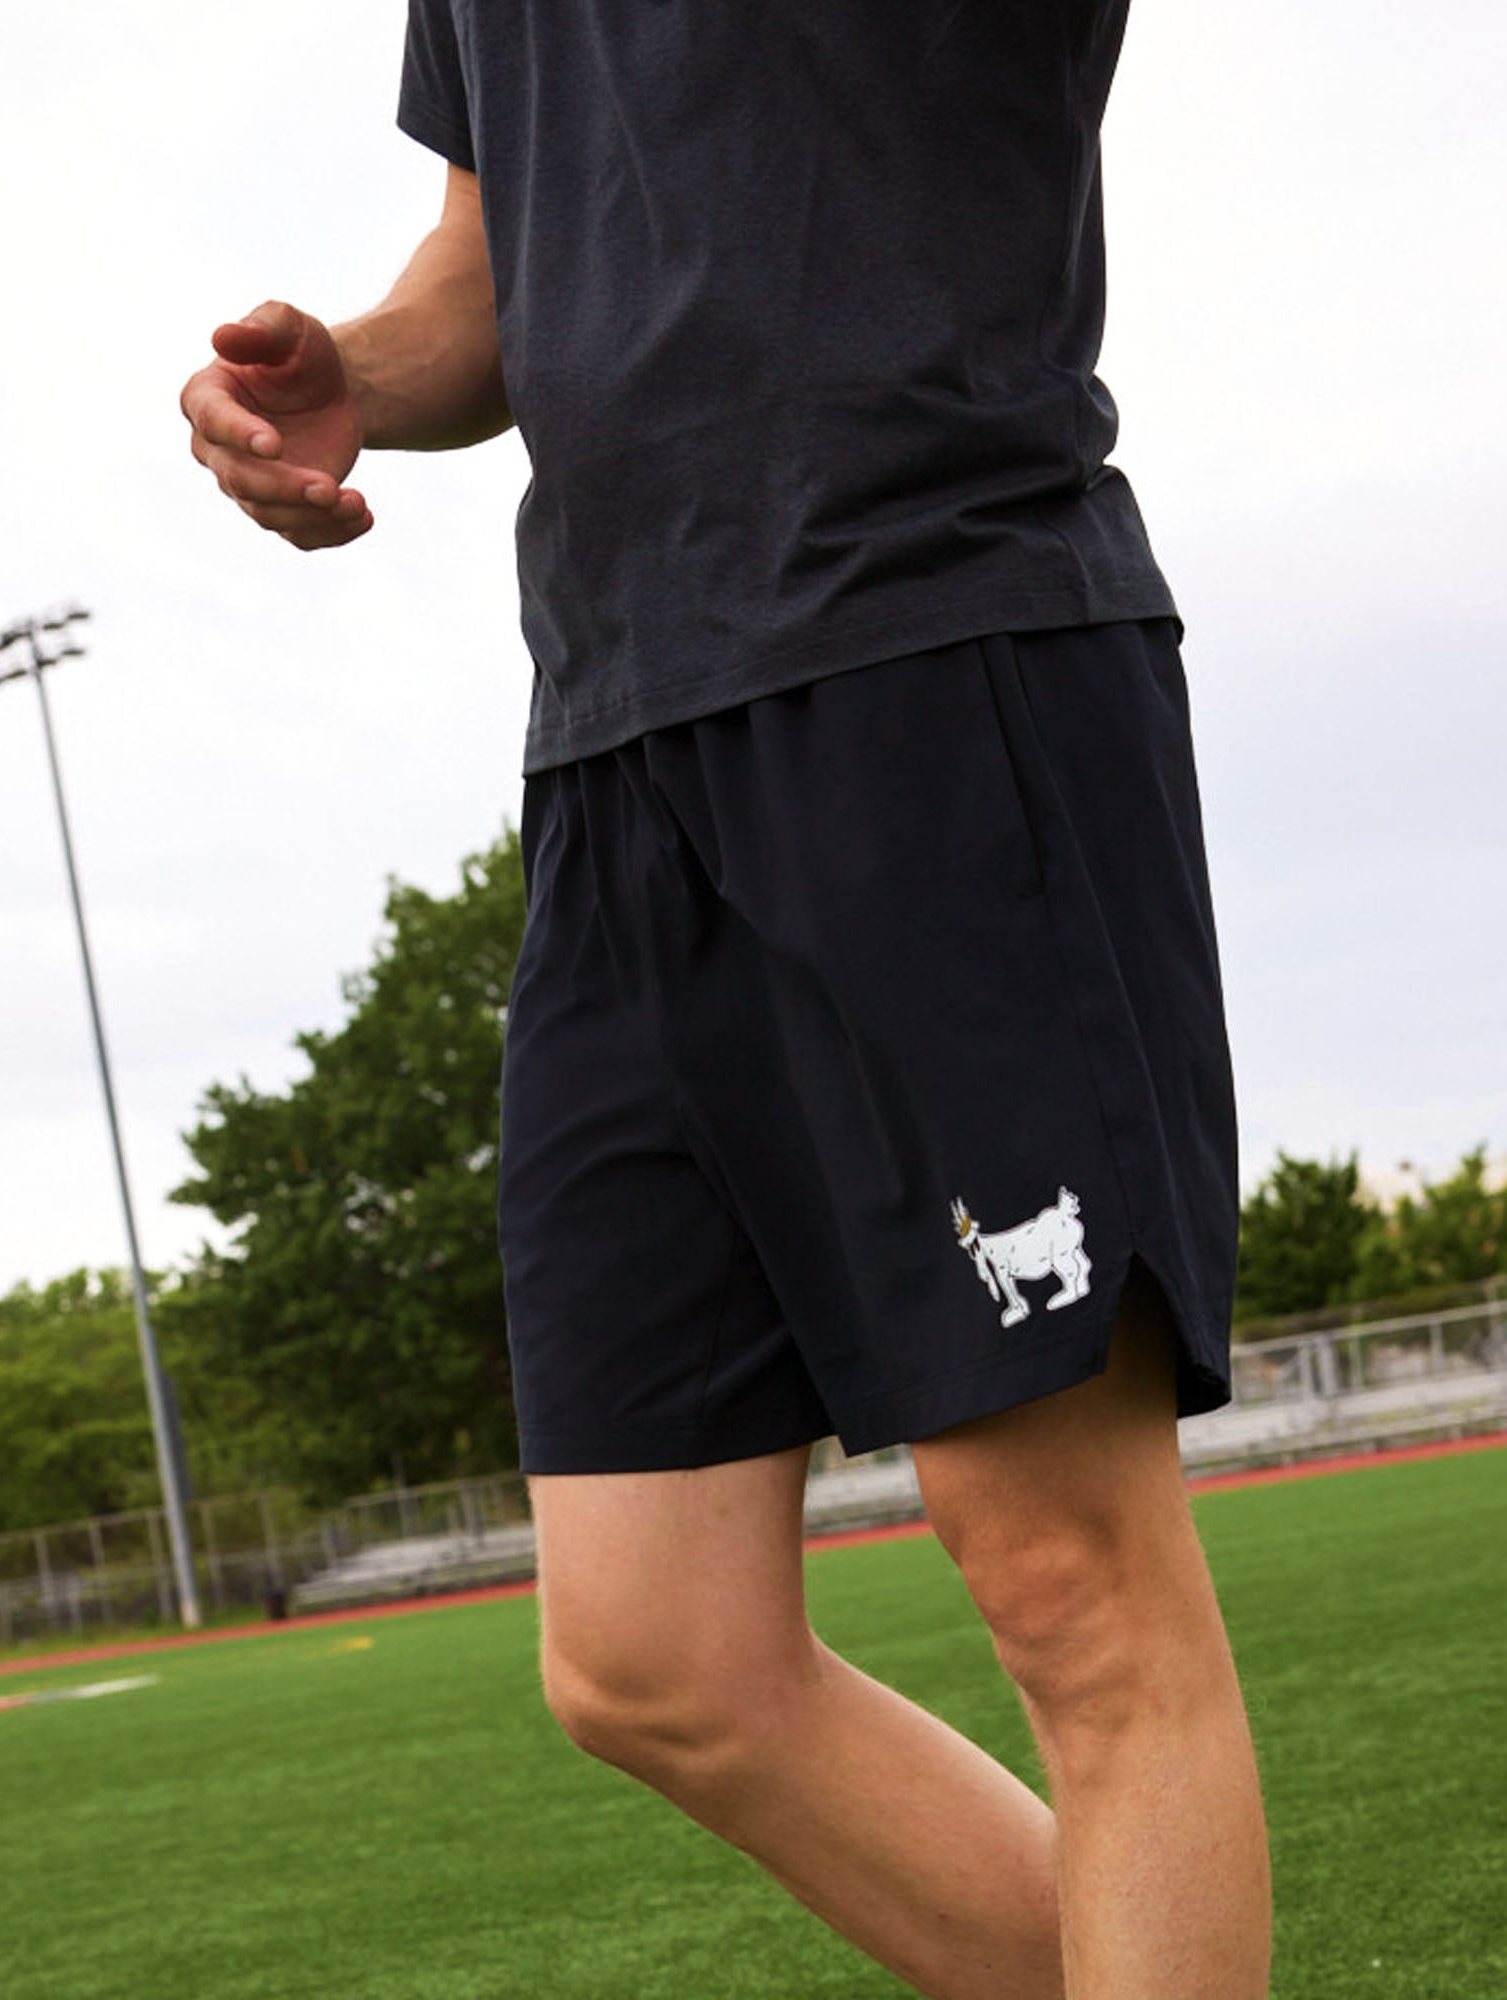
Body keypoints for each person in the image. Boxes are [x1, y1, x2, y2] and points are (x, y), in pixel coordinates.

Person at [181, 4, 1272, 1993]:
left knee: (1068, 1586)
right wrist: (360, 369)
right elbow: (497, 260)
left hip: (931, 658)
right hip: (615, 747)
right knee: (649, 1652)